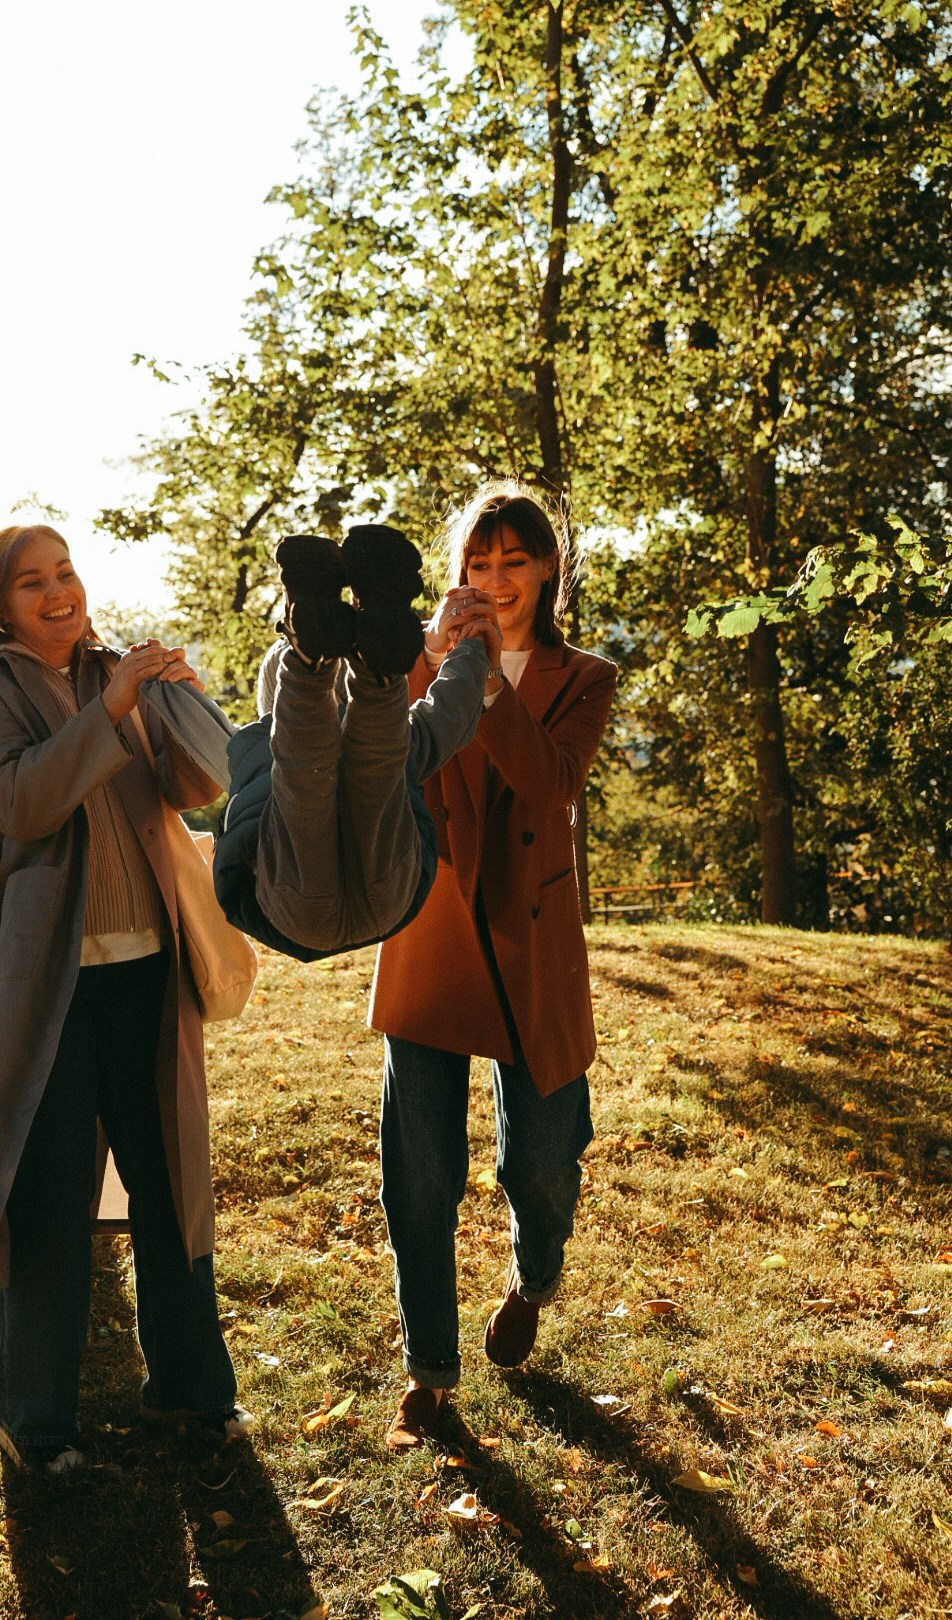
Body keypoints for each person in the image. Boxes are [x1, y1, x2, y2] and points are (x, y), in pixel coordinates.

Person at [0, 524, 251, 1474]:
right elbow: (19, 805)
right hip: (48, 982)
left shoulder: (118, 670)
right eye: (31, 583)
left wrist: (184, 706)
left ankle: (194, 1395)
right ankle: (35, 1424)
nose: (58, 593)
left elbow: (200, 787)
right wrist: (109, 710)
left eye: (65, 573)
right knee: (48, 1195)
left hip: (152, 970)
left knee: (172, 1185)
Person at [366, 482, 618, 1450]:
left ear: (547, 567)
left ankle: (533, 1277)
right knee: (419, 1173)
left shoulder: (585, 675)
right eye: (479, 562)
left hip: (533, 940)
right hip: (428, 930)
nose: (497, 579)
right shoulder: (421, 659)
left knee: (543, 1162)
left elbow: (552, 784)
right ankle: (429, 1369)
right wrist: (431, 656)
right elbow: (380, 760)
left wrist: (487, 680)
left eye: (515, 561)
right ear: (458, 571)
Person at [211, 525, 502, 960]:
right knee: (379, 765)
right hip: (390, 889)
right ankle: (377, 672)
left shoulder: (264, 743)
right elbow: (451, 713)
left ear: (271, 704)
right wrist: (472, 649)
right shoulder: (404, 739)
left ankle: (308, 664)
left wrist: (470, 653)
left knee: (301, 779)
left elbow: (452, 712)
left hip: (296, 905)